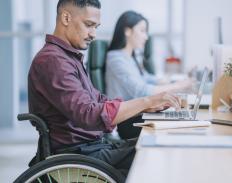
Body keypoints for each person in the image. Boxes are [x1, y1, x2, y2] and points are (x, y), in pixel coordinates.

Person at [28, 0, 181, 177]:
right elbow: (88, 114)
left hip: (92, 148)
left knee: (153, 144)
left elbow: (98, 100)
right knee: (155, 154)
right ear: (66, 18)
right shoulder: (53, 61)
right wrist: (145, 100)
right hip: (79, 155)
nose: (93, 34)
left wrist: (145, 106)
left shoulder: (67, 58)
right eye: (89, 25)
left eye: (96, 27)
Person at [105, 10, 193, 101]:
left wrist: (168, 81)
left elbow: (145, 78)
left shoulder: (130, 57)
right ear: (128, 31)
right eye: (142, 31)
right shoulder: (116, 58)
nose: (146, 37)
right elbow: (141, 91)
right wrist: (177, 86)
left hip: (137, 109)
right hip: (128, 114)